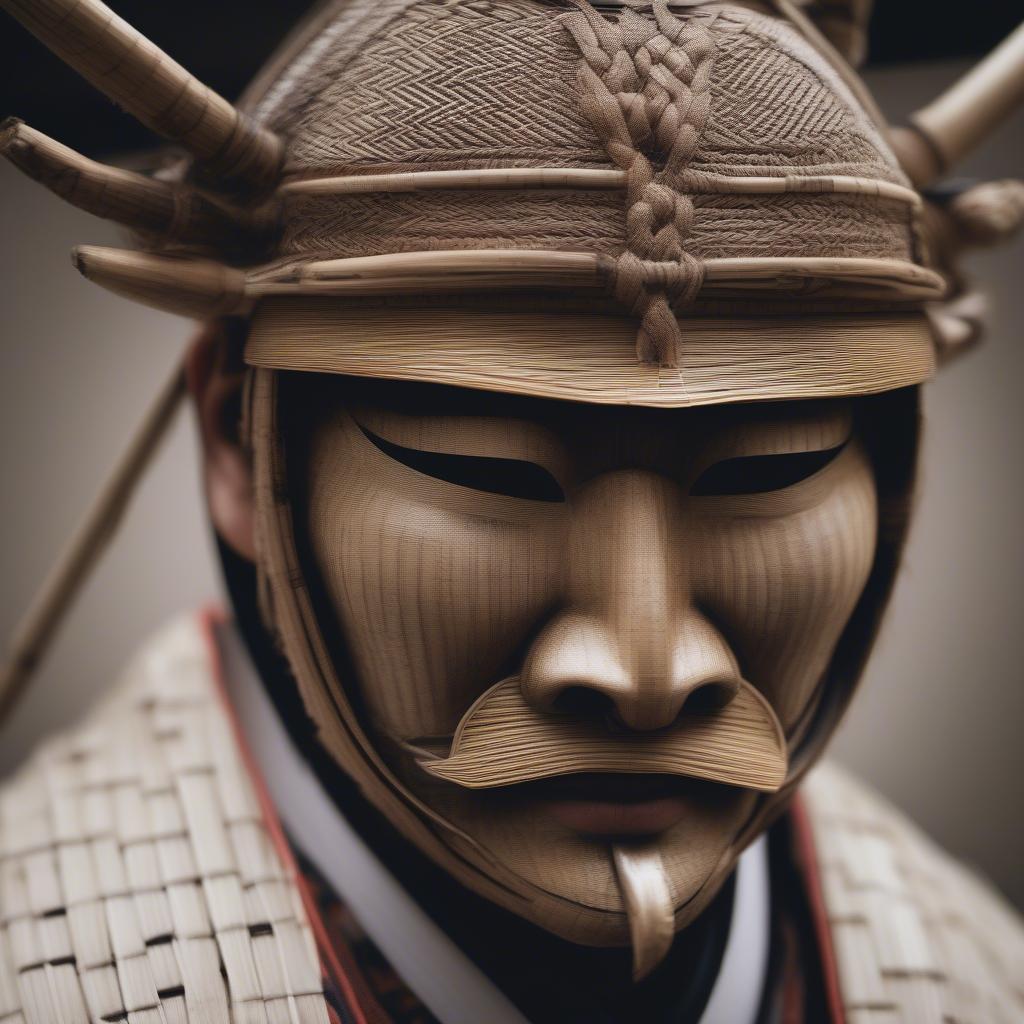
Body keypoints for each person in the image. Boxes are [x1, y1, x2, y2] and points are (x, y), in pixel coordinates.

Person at [1, 1, 1022, 1021]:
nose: (644, 674)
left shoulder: (981, 978)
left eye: (765, 472)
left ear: (890, 476)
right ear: (239, 442)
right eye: (491, 472)